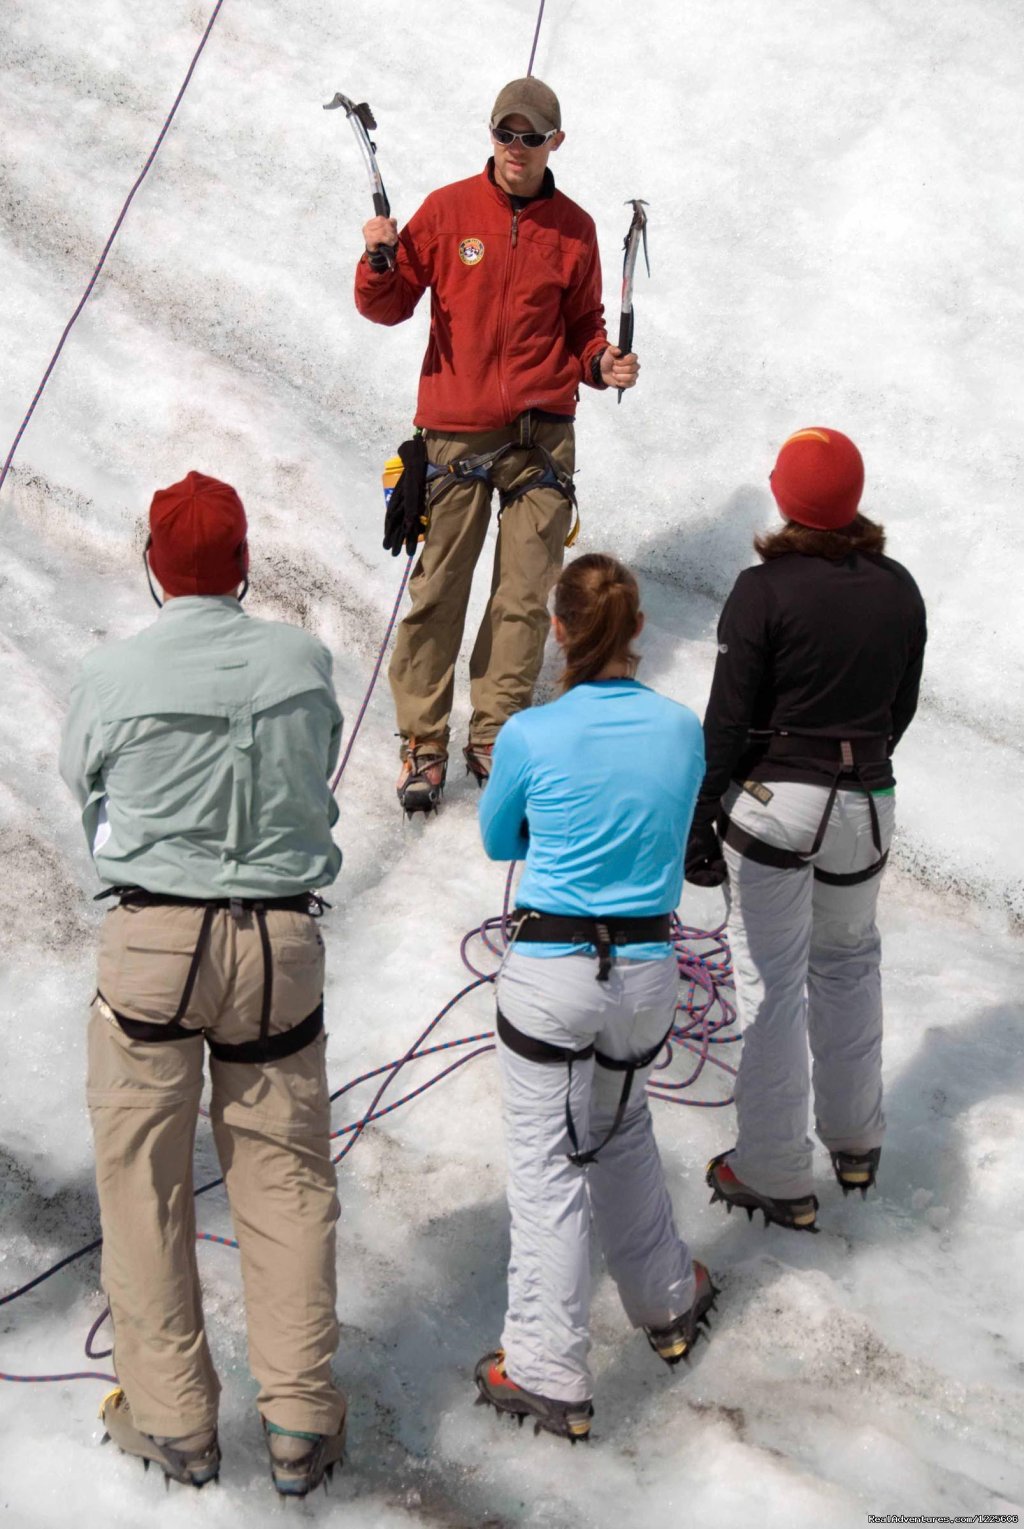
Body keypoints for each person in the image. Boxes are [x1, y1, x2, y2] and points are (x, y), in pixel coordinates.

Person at [59, 472, 347, 1497]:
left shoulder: (113, 673)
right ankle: (301, 1415)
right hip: (277, 945)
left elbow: (84, 784)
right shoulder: (302, 660)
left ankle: (173, 1418)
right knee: (285, 1179)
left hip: (152, 942)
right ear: (244, 565)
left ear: (150, 564)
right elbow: (318, 771)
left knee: (143, 1183)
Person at [474, 553, 715, 1440]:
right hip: (647, 970)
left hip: (553, 973)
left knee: (548, 1166)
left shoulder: (534, 732)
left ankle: (544, 1366)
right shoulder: (681, 729)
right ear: (639, 629)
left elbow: (502, 836)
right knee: (618, 1129)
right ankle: (665, 1296)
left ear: (559, 630)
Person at [355, 77, 640, 813]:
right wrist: (380, 260)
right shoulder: (449, 211)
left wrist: (602, 363)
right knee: (438, 589)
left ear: (555, 143)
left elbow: (583, 330)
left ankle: (496, 734)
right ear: (491, 136)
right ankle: (422, 740)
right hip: (455, 435)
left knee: (523, 597)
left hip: (542, 440)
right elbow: (386, 307)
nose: (516, 149)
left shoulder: (574, 229)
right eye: (505, 134)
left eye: (531, 136)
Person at [686, 429, 927, 1231]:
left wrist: (698, 814)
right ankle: (857, 1139)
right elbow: (899, 711)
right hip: (868, 798)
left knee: (772, 980)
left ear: (786, 497)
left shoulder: (763, 590)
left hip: (778, 803)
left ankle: (776, 1169)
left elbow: (726, 721)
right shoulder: (900, 588)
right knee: (850, 962)